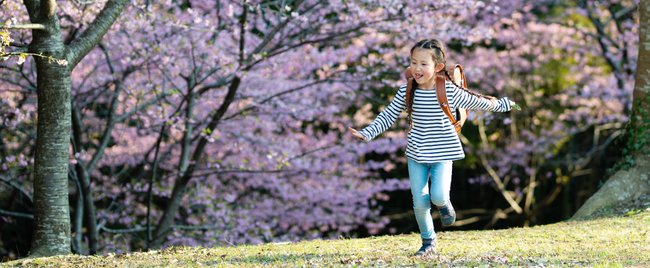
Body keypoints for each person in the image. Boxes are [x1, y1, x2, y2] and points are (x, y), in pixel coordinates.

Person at [349, 39, 518, 256]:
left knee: (437, 196)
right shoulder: (407, 91)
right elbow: (389, 115)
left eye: (423, 64)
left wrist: (504, 104)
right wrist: (367, 133)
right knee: (419, 202)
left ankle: (445, 204)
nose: (417, 69)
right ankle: (428, 243)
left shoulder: (447, 90)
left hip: (442, 153)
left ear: (437, 67)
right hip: (416, 153)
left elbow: (477, 101)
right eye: (413, 63)